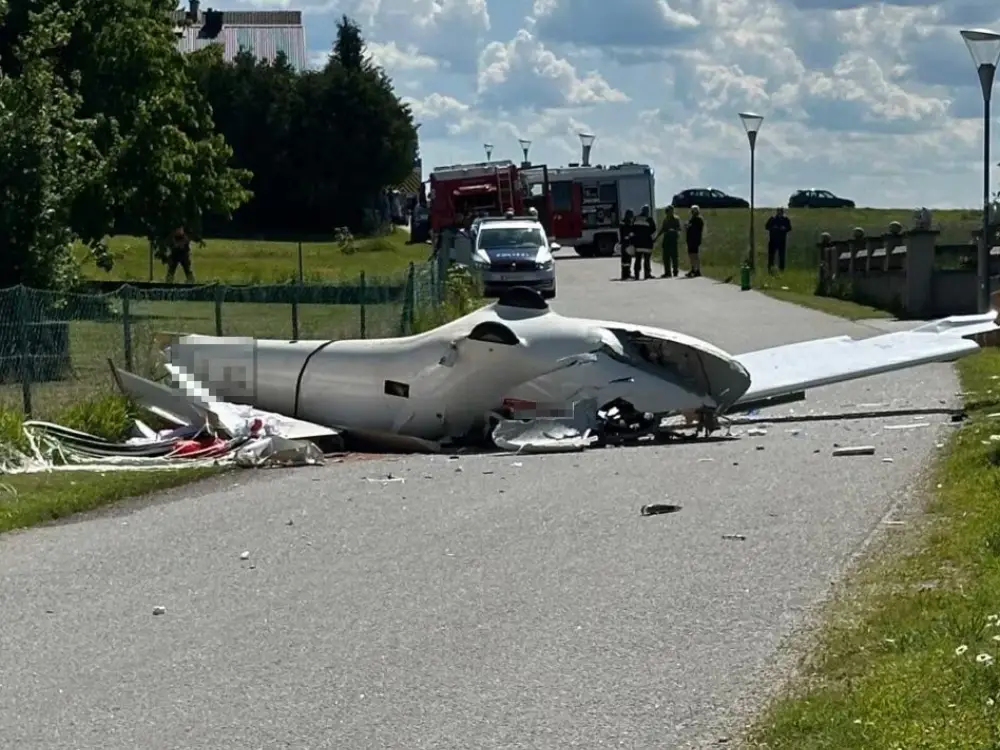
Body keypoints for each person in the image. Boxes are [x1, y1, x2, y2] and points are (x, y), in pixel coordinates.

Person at [654, 204, 681, 278]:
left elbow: (679, 228)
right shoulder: (665, 219)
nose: (669, 212)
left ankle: (675, 271)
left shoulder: (676, 219)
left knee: (674, 257)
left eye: (670, 210)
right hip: (666, 240)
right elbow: (662, 229)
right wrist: (656, 238)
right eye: (668, 211)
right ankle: (667, 272)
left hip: (673, 239)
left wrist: (674, 231)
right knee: (666, 257)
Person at [630, 204, 656, 280]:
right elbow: (653, 230)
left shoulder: (636, 218)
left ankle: (636, 275)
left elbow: (632, 230)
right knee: (647, 260)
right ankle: (647, 274)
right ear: (647, 211)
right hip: (647, 244)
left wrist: (633, 241)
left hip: (638, 243)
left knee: (638, 259)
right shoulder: (649, 219)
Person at [765, 207, 792, 272]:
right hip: (772, 240)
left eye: (781, 212)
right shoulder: (772, 219)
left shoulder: (786, 219)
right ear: (777, 212)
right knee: (771, 256)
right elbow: (766, 226)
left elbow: (789, 228)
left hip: (782, 240)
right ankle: (770, 269)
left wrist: (784, 228)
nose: (780, 213)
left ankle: (781, 270)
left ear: (782, 213)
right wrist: (773, 227)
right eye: (778, 212)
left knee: (782, 256)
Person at [684, 206, 704, 278]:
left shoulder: (699, 219)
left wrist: (690, 226)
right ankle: (693, 269)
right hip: (690, 239)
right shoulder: (691, 219)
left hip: (695, 239)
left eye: (694, 211)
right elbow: (688, 227)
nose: (693, 212)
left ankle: (698, 270)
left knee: (695, 255)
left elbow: (698, 228)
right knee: (691, 255)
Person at [618, 209, 635, 280]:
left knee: (625, 260)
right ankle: (626, 274)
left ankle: (625, 274)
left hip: (624, 243)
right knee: (627, 260)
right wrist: (631, 235)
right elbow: (627, 234)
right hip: (627, 243)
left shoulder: (623, 222)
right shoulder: (626, 224)